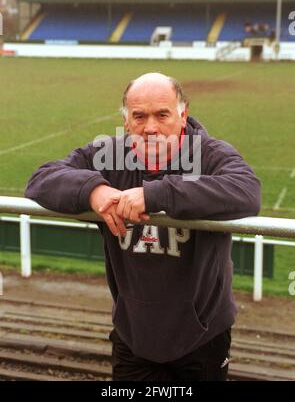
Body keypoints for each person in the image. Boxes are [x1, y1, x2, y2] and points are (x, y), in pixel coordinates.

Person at [25, 72, 261, 381]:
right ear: (126, 120)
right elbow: (41, 179)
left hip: (202, 337)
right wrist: (94, 190)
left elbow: (247, 191)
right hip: (132, 333)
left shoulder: (210, 154)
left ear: (183, 113)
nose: (150, 128)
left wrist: (155, 195)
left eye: (162, 115)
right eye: (139, 116)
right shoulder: (108, 156)